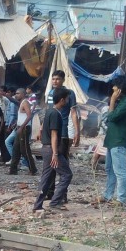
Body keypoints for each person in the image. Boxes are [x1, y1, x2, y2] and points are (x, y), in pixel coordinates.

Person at [97, 76, 126, 207]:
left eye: (115, 86)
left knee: (120, 171)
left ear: (121, 88)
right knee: (110, 169)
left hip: (119, 140)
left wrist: (112, 100)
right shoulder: (123, 101)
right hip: (112, 140)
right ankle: (108, 195)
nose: (113, 89)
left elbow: (112, 116)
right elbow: (109, 119)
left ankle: (121, 199)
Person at [33, 87, 72, 213]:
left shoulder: (49, 111)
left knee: (47, 177)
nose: (67, 101)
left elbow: (42, 128)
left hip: (46, 149)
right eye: (66, 99)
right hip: (51, 150)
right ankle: (55, 202)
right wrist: (55, 153)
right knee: (66, 175)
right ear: (61, 100)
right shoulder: (55, 114)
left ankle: (38, 205)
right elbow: (54, 134)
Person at [46, 71, 80, 201]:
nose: (55, 81)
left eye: (57, 79)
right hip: (51, 132)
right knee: (51, 164)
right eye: (53, 79)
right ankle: (50, 192)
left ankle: (62, 195)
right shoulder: (50, 93)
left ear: (63, 80)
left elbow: (73, 112)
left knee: (62, 163)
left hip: (64, 133)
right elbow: (48, 111)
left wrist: (77, 131)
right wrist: (43, 127)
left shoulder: (69, 94)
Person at [8, 88, 37, 175]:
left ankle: (33, 169)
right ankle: (13, 170)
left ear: (23, 94)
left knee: (25, 150)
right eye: (16, 93)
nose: (16, 95)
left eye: (18, 93)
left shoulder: (25, 102)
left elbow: (29, 116)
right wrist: (16, 125)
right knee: (16, 149)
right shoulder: (22, 103)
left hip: (24, 129)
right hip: (20, 127)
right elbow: (22, 116)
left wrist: (21, 127)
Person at [0, 86, 11, 162]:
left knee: (5, 140)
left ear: (4, 92)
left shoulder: (6, 100)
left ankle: (7, 157)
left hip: (5, 122)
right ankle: (3, 156)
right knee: (1, 140)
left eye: (1, 91)